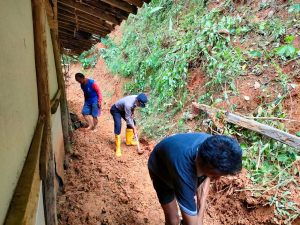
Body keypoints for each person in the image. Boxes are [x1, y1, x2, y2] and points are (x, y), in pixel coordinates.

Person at [148, 133, 243, 225]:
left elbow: (205, 181)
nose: (217, 179)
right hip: (160, 170)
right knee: (173, 220)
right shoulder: (184, 173)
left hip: (178, 156)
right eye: (214, 175)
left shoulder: (215, 146)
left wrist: (200, 215)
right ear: (203, 164)